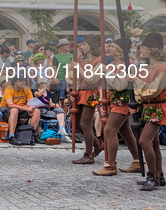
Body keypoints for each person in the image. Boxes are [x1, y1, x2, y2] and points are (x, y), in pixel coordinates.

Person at [92, 38, 140, 176]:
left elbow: (121, 85)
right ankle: (137, 161)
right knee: (125, 131)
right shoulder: (113, 63)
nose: (108, 49)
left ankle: (110, 165)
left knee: (110, 130)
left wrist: (107, 71)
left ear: (119, 49)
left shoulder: (129, 64)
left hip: (123, 100)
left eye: (111, 46)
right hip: (116, 100)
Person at [129, 32, 166, 190]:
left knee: (144, 141)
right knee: (154, 143)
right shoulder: (150, 67)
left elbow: (153, 90)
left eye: (143, 48)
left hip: (158, 107)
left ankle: (151, 176)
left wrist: (135, 81)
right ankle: (159, 176)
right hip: (149, 107)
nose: (140, 50)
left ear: (152, 49)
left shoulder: (163, 68)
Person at [66, 34, 104, 164]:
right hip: (81, 92)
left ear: (91, 46)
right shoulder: (83, 61)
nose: (81, 47)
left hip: (90, 92)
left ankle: (88, 154)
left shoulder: (99, 61)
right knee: (74, 122)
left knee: (85, 123)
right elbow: (71, 78)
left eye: (84, 44)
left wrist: (79, 68)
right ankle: (97, 144)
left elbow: (91, 79)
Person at [0, 76, 42, 146]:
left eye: (24, 81)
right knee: (14, 110)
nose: (23, 82)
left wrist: (28, 107)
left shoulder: (26, 89)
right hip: (6, 109)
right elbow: (10, 105)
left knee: (36, 111)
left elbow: (30, 103)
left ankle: (31, 135)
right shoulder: (9, 88)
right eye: (20, 81)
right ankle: (11, 136)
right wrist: (26, 108)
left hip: (22, 108)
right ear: (14, 82)